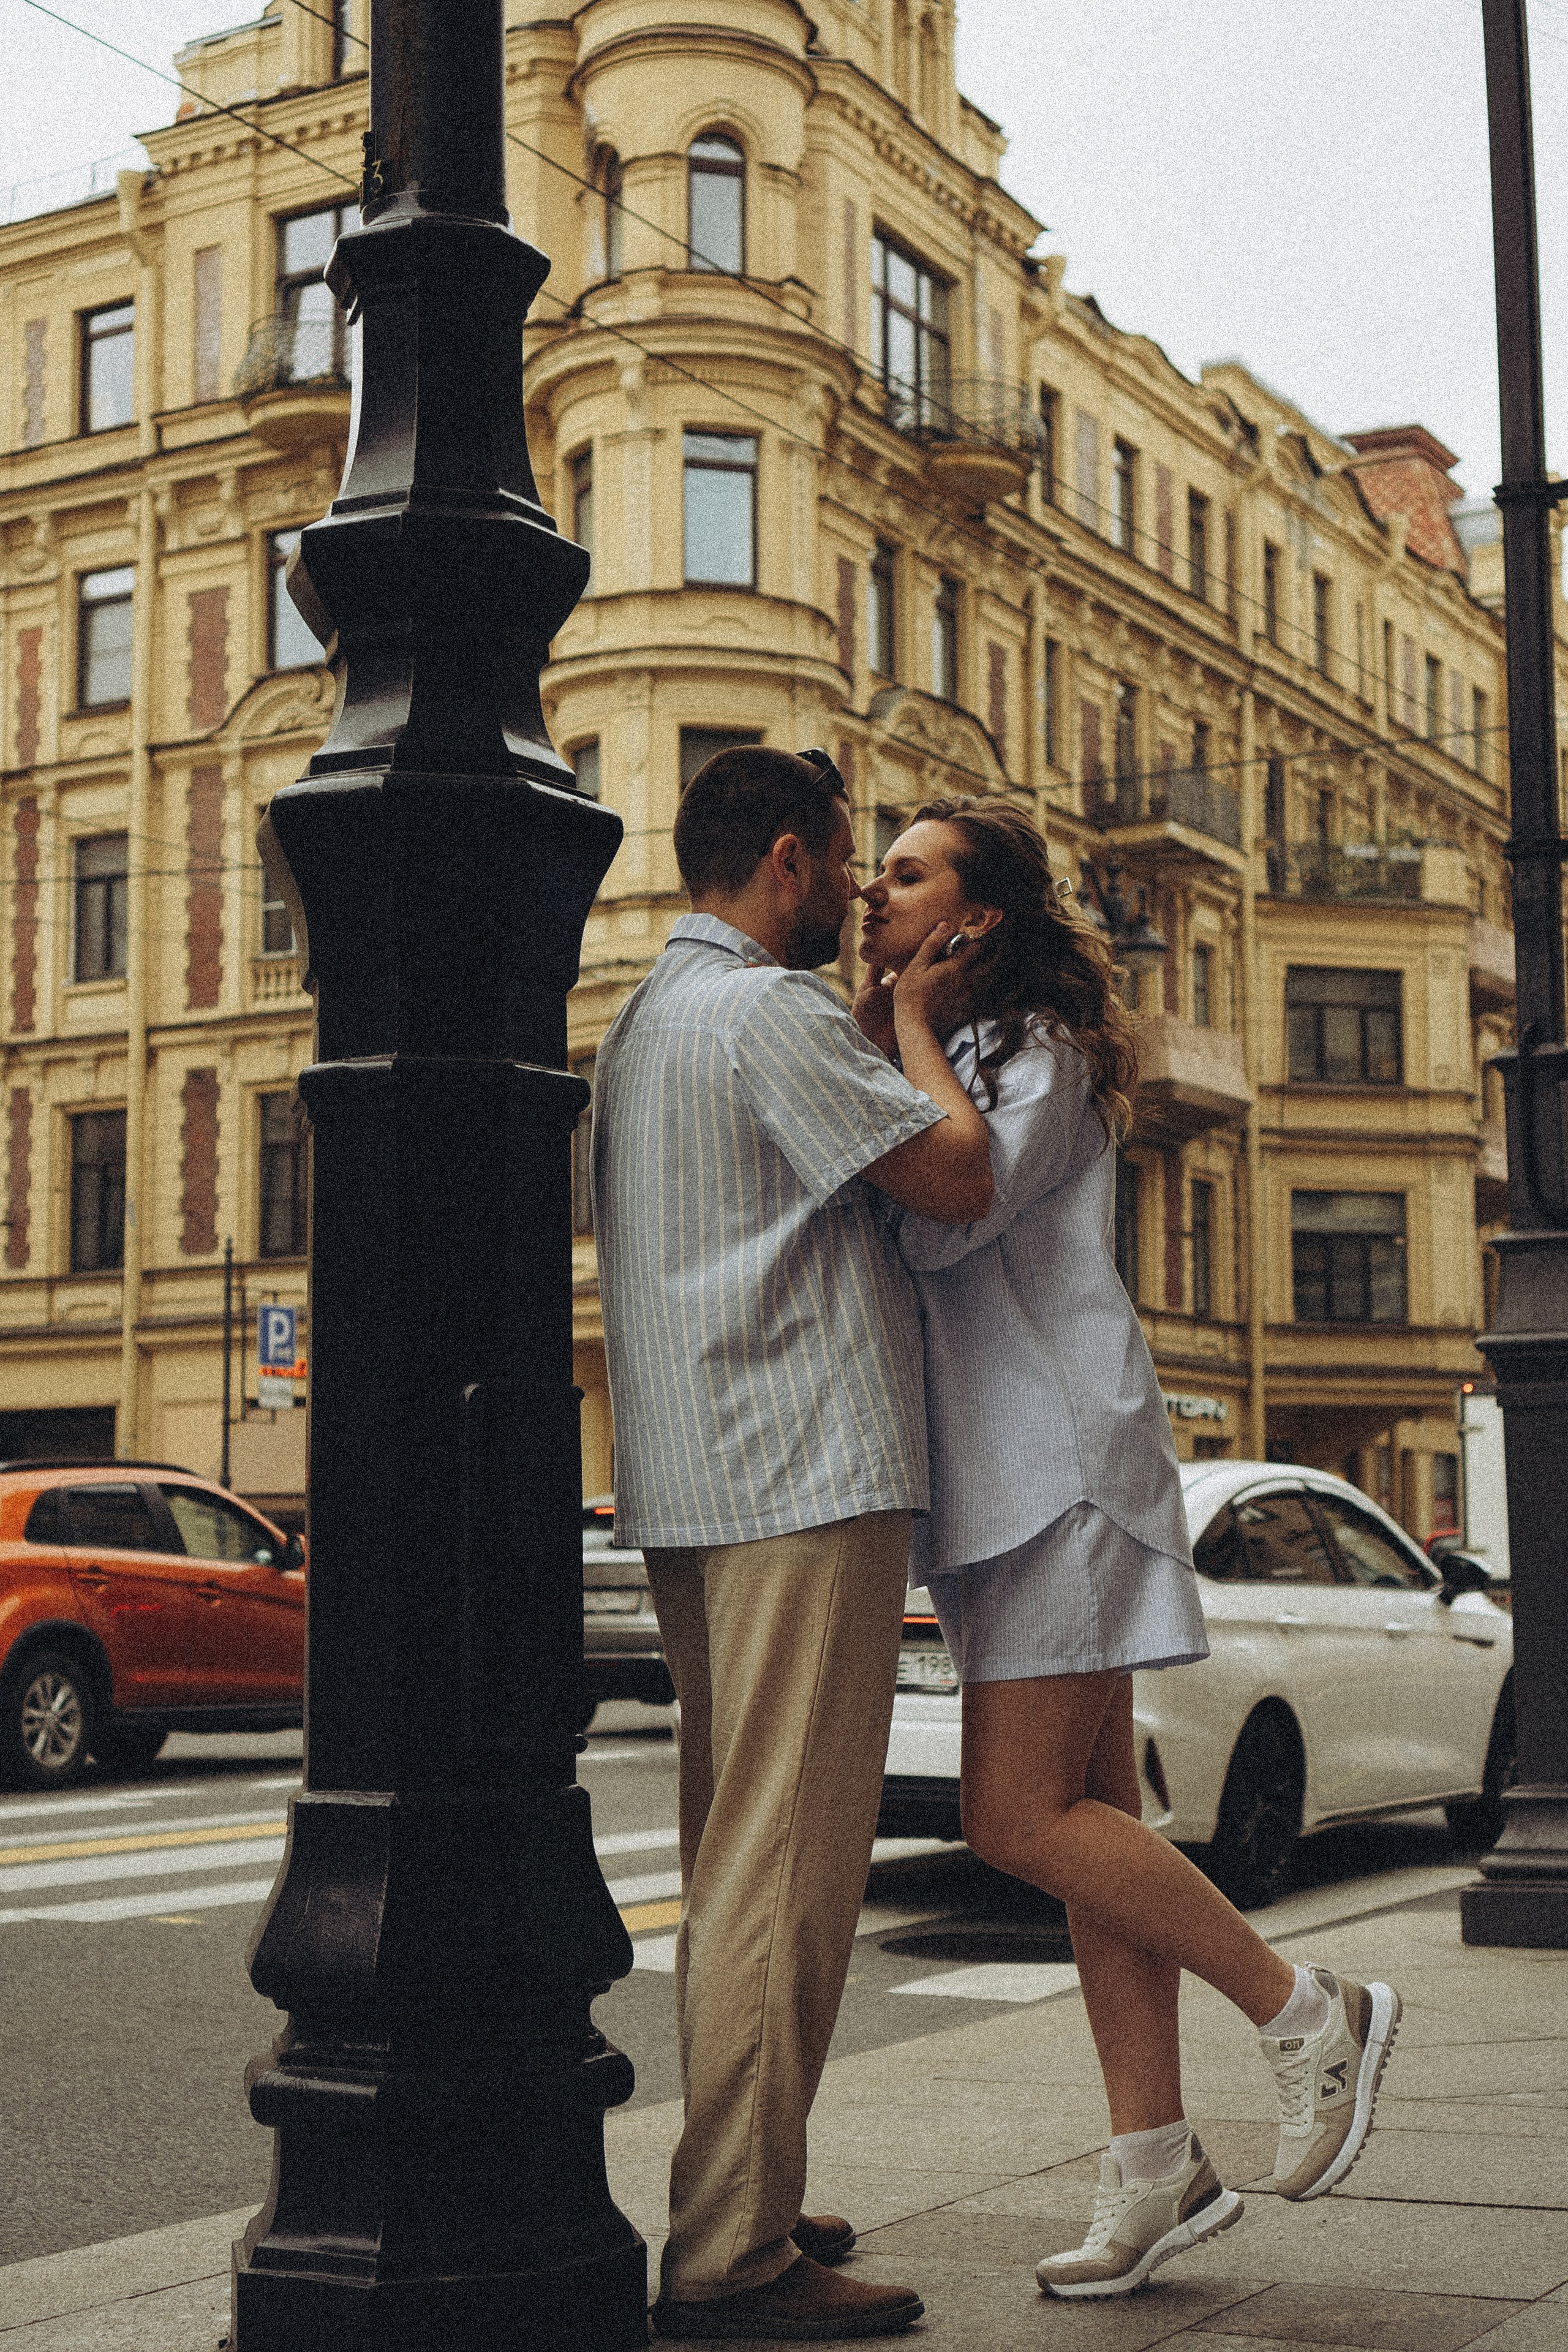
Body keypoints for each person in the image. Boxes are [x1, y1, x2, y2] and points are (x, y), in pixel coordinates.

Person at [854, 796, 1402, 2302]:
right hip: (1001, 1481)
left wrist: (900, 1021)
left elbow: (952, 1198)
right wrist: (897, 1025)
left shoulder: (1033, 1052)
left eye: (905, 878)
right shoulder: (960, 1050)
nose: (871, 893)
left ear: (978, 916)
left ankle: (1305, 2010)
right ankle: (1151, 2161)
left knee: (1011, 1818)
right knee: (1098, 1833)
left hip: (1057, 1471)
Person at [592, 746, 991, 2342]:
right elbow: (954, 1178)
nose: (855, 894)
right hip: (802, 1481)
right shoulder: (768, 1015)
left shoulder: (643, 1019)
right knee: (783, 1882)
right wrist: (907, 1023)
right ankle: (736, 2254)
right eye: (842, 865)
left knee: (733, 1864)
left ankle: (744, 2189)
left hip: (699, 1488)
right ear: (783, 861)